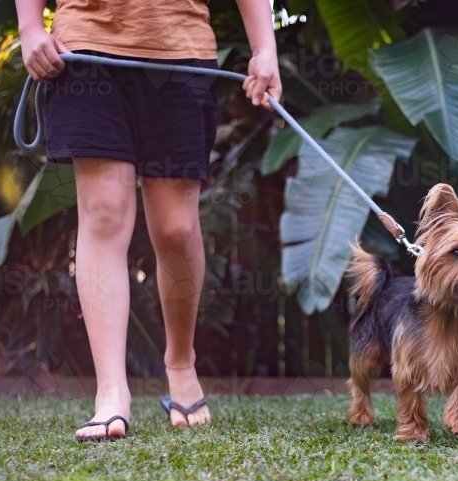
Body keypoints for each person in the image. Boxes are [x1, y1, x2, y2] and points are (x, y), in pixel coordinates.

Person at [16, 0, 281, 440]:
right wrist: (28, 27)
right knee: (104, 214)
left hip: (181, 53)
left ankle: (180, 363)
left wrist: (264, 48)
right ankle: (111, 393)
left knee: (176, 229)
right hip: (85, 47)